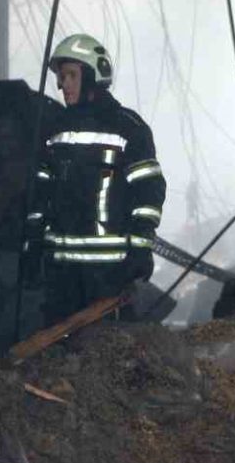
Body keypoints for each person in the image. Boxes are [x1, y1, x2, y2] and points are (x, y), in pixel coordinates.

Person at [26, 33, 166, 325]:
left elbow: (148, 193)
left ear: (92, 76)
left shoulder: (129, 129)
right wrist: (33, 244)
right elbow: (39, 193)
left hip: (109, 276)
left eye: (71, 75)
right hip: (61, 276)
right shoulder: (53, 131)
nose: (63, 85)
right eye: (61, 77)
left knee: (110, 349)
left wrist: (140, 249)